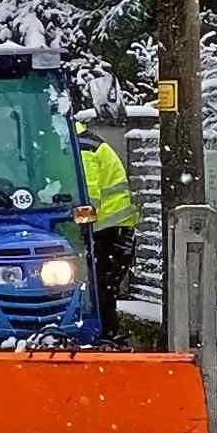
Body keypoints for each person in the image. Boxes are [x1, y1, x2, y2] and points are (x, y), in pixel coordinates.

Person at [76, 121, 139, 336]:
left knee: (99, 288)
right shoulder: (83, 143)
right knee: (101, 289)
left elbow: (89, 198)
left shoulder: (83, 148)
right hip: (110, 230)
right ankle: (105, 335)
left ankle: (105, 337)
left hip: (109, 231)